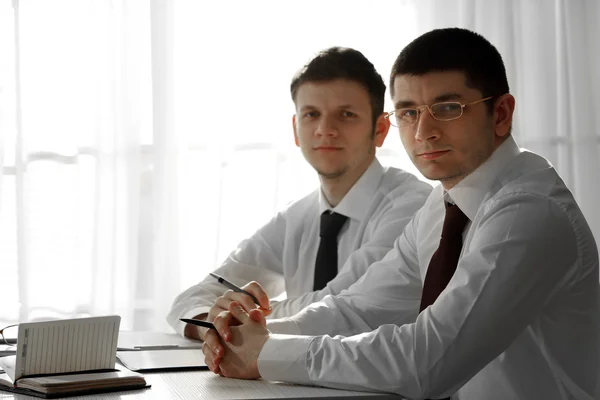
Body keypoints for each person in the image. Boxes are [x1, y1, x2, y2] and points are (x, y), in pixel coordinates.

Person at [201, 28, 600, 400]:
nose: (424, 131)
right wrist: (248, 334)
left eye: (447, 107)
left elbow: (429, 359)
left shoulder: (529, 212)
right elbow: (357, 308)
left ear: (500, 114)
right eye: (408, 112)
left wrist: (267, 354)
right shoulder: (443, 205)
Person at [167, 46, 432, 340]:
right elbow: (192, 298)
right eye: (311, 114)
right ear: (296, 129)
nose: (325, 129)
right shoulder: (296, 217)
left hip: (384, 384)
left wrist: (238, 317)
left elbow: (339, 306)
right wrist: (212, 322)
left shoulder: (412, 205)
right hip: (294, 382)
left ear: (380, 129)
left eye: (346, 114)